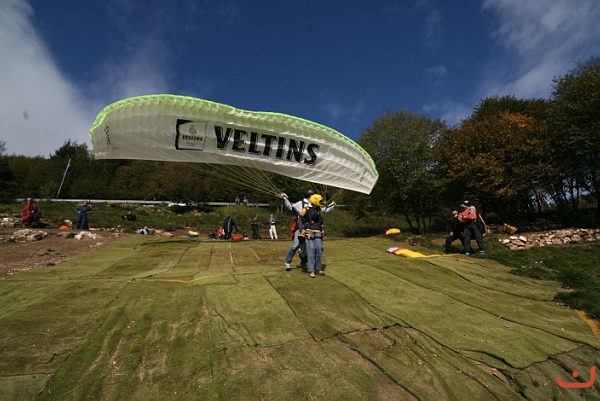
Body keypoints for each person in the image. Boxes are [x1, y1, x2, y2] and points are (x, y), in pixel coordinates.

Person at [281, 190, 335, 272]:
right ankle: (287, 262)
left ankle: (304, 264)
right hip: (301, 227)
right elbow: (291, 206)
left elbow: (324, 210)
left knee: (308, 248)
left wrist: (332, 205)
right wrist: (285, 198)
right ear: (310, 197)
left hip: (312, 229)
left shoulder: (315, 205)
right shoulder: (300, 203)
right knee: (295, 245)